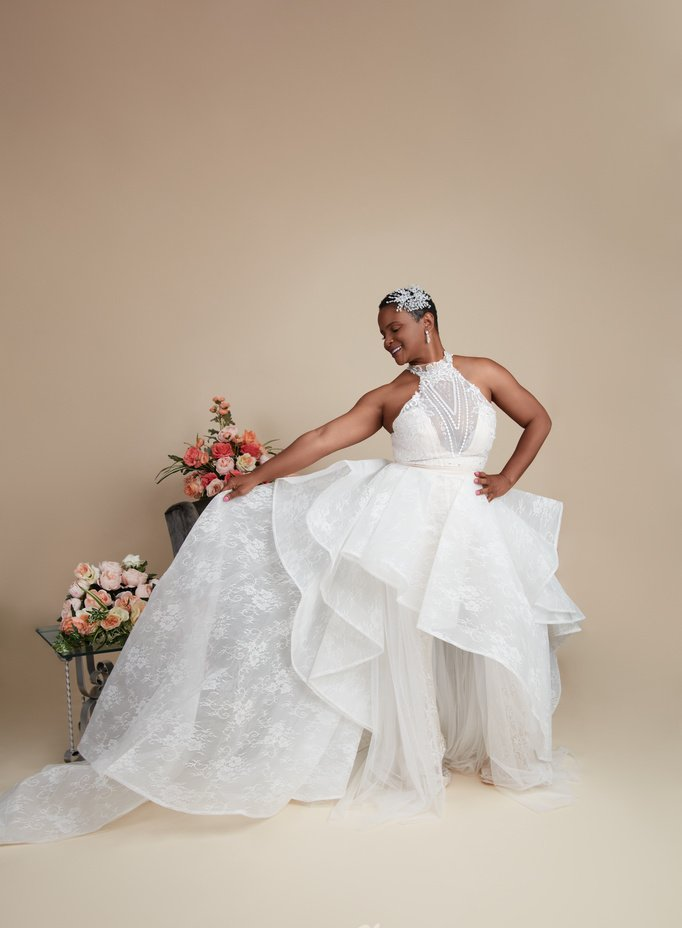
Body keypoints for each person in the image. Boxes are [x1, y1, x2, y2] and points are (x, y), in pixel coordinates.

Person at [0, 285, 585, 844]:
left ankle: (505, 751)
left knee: (494, 626)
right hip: (404, 526)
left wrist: (507, 478)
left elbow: (538, 419)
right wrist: (256, 477)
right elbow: (325, 436)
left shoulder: (484, 372)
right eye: (382, 334)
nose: (387, 341)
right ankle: (415, 755)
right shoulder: (388, 397)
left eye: (394, 329)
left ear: (426, 321)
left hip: (475, 522)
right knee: (408, 635)